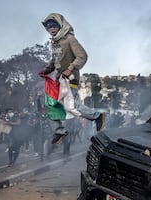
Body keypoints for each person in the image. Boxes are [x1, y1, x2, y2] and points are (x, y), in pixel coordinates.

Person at [39, 13, 105, 144]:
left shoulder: (70, 39)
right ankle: (59, 130)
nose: (51, 29)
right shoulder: (55, 43)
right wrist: (48, 69)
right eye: (48, 27)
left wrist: (70, 68)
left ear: (61, 26)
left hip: (71, 79)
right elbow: (55, 60)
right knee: (50, 104)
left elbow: (82, 56)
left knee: (72, 106)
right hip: (59, 80)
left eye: (53, 26)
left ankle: (98, 116)